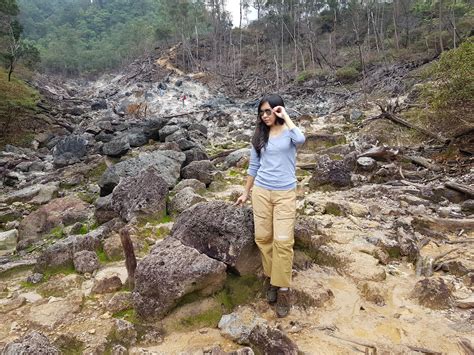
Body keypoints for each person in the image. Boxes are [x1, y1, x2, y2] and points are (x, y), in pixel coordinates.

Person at [235, 94, 305, 318]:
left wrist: (286, 117)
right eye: (262, 112)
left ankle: (283, 289)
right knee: (263, 239)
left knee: (283, 241)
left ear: (278, 110)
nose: (265, 116)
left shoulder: (290, 134)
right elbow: (253, 166)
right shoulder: (258, 136)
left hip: (285, 193)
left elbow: (302, 139)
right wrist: (246, 192)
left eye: (269, 111)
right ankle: (272, 280)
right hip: (261, 192)